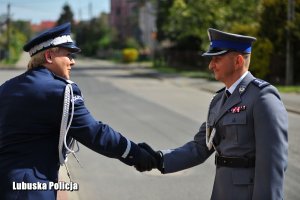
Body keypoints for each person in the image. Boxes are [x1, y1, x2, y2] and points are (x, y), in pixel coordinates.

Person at [0, 22, 156, 200]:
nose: (73, 62)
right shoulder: (60, 90)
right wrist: (134, 153)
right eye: (68, 55)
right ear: (49, 56)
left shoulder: (7, 87)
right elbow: (95, 133)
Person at [138, 28, 288, 200]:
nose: (211, 65)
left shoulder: (262, 97)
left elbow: (272, 165)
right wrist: (158, 159)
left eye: (217, 58)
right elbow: (200, 147)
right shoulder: (219, 101)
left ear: (238, 61)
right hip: (221, 191)